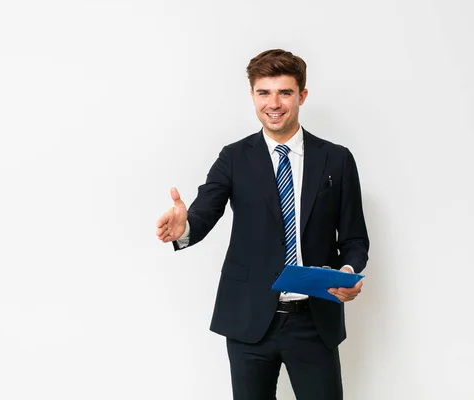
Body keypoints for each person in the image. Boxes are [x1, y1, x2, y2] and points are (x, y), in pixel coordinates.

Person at [155, 49, 369, 400]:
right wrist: (186, 227)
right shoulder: (234, 157)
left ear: (302, 96)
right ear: (252, 95)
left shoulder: (337, 159)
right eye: (263, 92)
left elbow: (355, 237)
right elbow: (207, 209)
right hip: (248, 318)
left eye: (284, 92)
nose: (274, 103)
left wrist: (347, 271)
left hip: (314, 320)